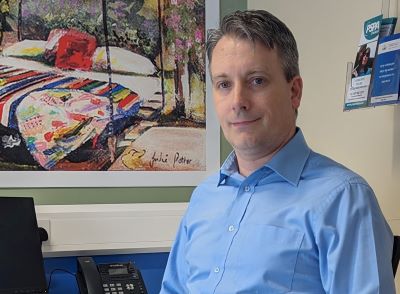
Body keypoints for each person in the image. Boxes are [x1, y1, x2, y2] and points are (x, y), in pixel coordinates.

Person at [160, 10, 395, 293]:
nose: (238, 101)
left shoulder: (345, 200)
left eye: (256, 81)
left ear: (294, 91)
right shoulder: (204, 198)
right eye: (224, 84)